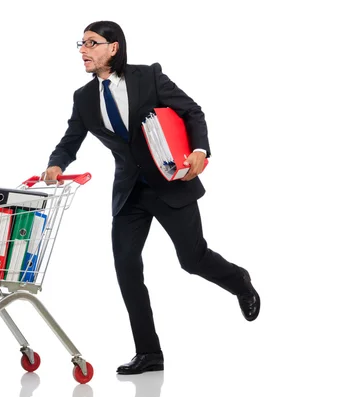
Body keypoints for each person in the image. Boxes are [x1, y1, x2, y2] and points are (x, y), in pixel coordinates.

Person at [42, 21, 260, 375]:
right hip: (129, 193)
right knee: (127, 269)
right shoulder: (83, 98)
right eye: (80, 43)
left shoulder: (149, 77)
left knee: (192, 259)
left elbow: (192, 111)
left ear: (113, 47)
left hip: (171, 183)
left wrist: (200, 151)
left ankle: (240, 282)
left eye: (92, 43)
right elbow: (71, 138)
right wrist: (55, 164)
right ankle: (149, 354)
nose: (83, 50)